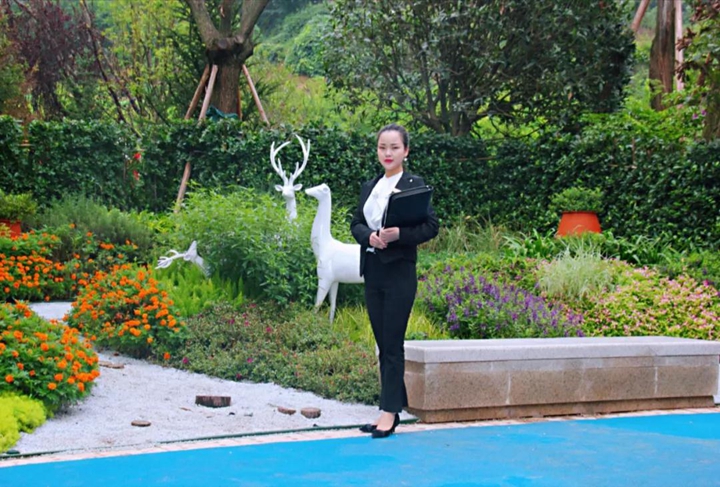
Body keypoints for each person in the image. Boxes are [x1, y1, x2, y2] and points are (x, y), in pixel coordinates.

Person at [350, 123, 439, 439]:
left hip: (399, 272)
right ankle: (392, 406)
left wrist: (399, 234)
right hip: (373, 270)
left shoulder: (414, 185)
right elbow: (356, 223)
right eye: (382, 147)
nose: (387, 153)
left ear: (406, 151)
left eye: (394, 147)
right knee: (383, 343)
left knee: (392, 343)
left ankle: (389, 413)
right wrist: (370, 237)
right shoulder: (370, 186)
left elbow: (431, 226)